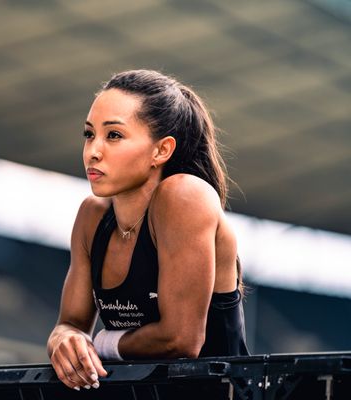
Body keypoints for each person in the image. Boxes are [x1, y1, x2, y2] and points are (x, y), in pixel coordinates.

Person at [46, 69, 249, 391]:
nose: (93, 151)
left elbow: (181, 340)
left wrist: (98, 344)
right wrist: (65, 341)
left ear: (161, 150)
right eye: (89, 134)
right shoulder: (92, 215)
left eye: (113, 136)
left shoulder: (185, 196)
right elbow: (70, 324)